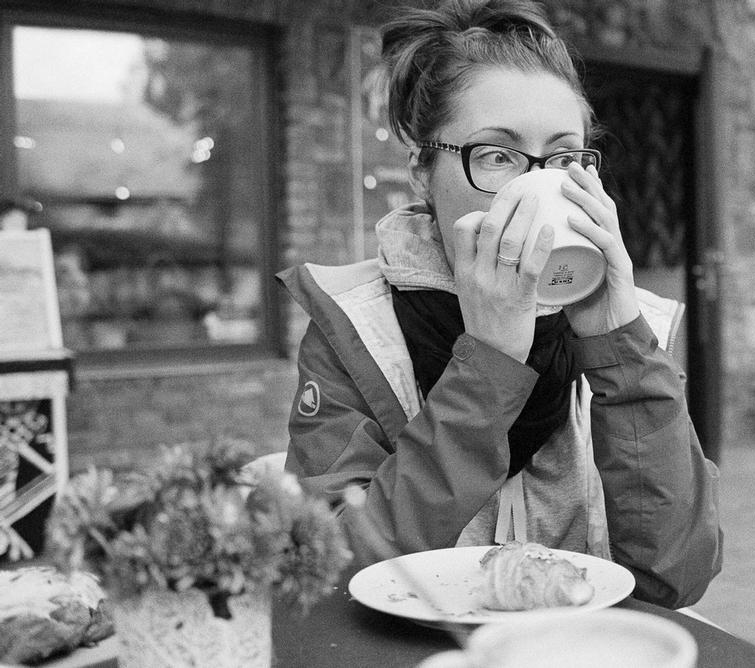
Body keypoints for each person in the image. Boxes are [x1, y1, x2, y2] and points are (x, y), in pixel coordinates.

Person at [278, 0, 721, 608]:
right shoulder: (355, 326)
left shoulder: (635, 328)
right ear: (422, 171)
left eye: (563, 158)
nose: (533, 186)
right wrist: (488, 364)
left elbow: (677, 575)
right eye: (496, 155)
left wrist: (618, 340)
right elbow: (328, 571)